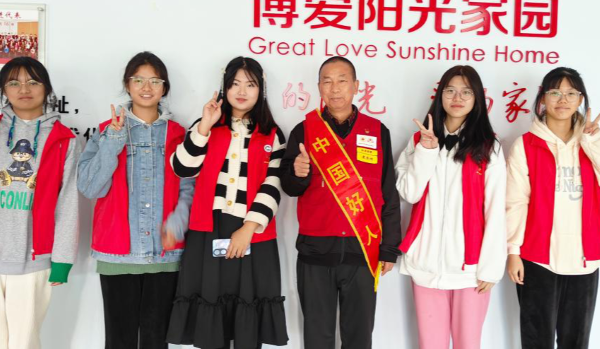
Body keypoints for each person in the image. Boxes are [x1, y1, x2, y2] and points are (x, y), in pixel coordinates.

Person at [165, 56, 288, 349]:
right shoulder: (205, 126)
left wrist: (248, 228)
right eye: (234, 84)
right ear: (224, 88)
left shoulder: (272, 134)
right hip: (210, 227)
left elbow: (274, 184)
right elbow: (182, 169)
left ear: (261, 90)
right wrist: (204, 127)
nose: (241, 91)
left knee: (248, 304)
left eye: (250, 84)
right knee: (212, 305)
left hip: (253, 231)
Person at [280, 56, 401, 349]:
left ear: (356, 86)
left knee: (359, 337)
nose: (335, 88)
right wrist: (297, 174)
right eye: (327, 81)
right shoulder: (304, 131)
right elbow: (289, 187)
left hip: (363, 251)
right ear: (319, 87)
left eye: (342, 81)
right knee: (317, 337)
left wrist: (389, 248)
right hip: (315, 253)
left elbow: (388, 192)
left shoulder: (376, 131)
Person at [77, 51, 194, 349]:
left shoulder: (178, 134)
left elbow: (189, 188)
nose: (146, 87)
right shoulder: (106, 131)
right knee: (119, 341)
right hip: (117, 254)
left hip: (164, 255)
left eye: (155, 80)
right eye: (138, 80)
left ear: (164, 87)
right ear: (127, 85)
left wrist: (176, 225)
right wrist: (114, 141)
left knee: (157, 340)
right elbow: (90, 188)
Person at [396, 65, 506, 349]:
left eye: (466, 92)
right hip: (425, 264)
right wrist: (427, 150)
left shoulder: (489, 147)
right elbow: (409, 193)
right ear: (440, 96)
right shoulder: (419, 141)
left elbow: (496, 210)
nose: (457, 98)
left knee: (468, 343)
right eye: (450, 91)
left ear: (477, 98)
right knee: (430, 343)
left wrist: (491, 268)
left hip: (470, 268)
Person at [506, 67, 600, 349]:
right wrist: (513, 251)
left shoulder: (593, 142)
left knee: (576, 341)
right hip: (537, 258)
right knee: (537, 340)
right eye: (555, 92)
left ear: (580, 99)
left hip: (585, 258)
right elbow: (516, 202)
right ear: (543, 99)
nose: (563, 99)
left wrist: (591, 143)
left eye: (571, 93)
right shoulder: (525, 145)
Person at [0, 57, 80, 349]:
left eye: (33, 82)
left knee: (24, 342)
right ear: (4, 90)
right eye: (14, 83)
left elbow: (68, 203)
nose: (24, 89)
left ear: (46, 88)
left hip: (33, 259)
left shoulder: (64, 140)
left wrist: (62, 260)